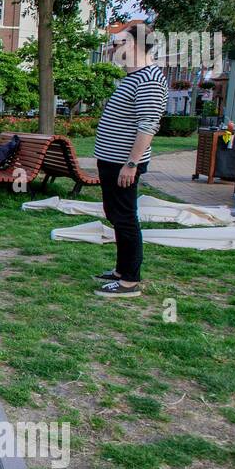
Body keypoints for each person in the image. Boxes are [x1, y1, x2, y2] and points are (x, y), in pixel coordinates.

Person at [92, 62, 168, 297]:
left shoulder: (150, 79)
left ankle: (129, 281)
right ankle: (120, 271)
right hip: (111, 161)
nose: (115, 48)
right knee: (115, 215)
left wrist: (132, 163)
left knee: (125, 218)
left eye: (121, 42)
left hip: (123, 163)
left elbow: (148, 125)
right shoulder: (135, 76)